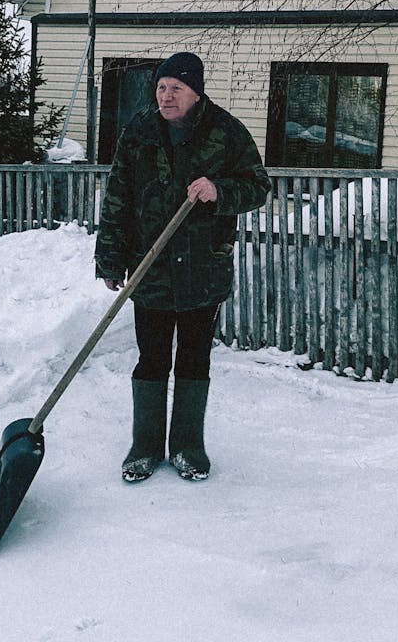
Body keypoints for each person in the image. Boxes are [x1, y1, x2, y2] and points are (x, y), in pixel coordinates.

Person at [95, 51, 270, 482]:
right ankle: (145, 446)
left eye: (176, 88)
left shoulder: (226, 132)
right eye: (160, 87)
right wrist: (111, 258)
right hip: (149, 267)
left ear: (196, 92)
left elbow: (258, 187)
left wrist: (219, 190)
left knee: (193, 359)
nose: (166, 95)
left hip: (201, 270)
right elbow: (119, 198)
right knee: (151, 358)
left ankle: (189, 447)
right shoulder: (138, 133)